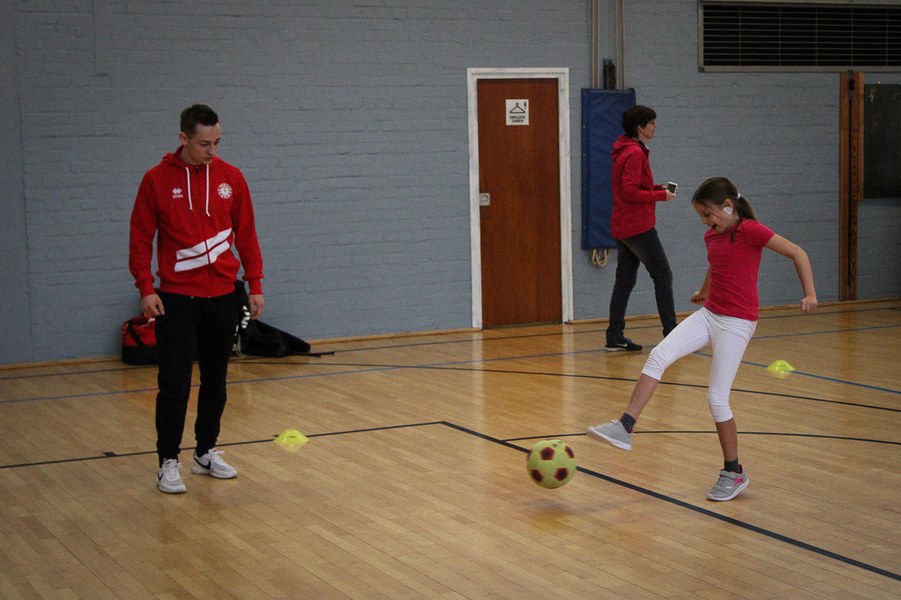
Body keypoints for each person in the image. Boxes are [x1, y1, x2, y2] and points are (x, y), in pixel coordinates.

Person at [586, 176, 817, 501]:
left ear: (728, 206)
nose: (705, 222)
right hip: (710, 314)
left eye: (708, 214)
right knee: (659, 354)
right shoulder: (713, 235)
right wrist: (704, 291)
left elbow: (798, 253)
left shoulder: (750, 230)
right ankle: (625, 425)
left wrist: (810, 293)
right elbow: (715, 264)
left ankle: (734, 471)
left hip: (737, 324)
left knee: (717, 399)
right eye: (701, 216)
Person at [129, 104, 265, 493]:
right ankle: (167, 461)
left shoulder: (232, 178)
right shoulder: (155, 180)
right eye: (204, 143)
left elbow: (247, 233)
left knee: (216, 381)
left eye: (217, 142)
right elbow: (140, 237)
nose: (212, 151)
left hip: (223, 296)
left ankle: (205, 452)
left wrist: (255, 283)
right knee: (174, 384)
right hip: (176, 299)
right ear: (183, 138)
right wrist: (146, 287)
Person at [606, 105, 678, 352]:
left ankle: (614, 336)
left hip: (623, 225)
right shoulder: (635, 153)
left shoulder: (625, 150)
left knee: (624, 281)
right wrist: (660, 196)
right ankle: (672, 335)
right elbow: (630, 192)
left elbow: (632, 187)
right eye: (652, 122)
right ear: (640, 127)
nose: (655, 126)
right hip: (637, 226)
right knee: (663, 275)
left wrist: (657, 188)